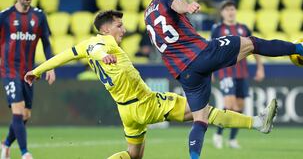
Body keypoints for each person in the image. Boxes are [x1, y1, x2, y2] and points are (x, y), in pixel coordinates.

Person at [24, 10, 278, 159]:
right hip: (147, 103)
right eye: (119, 26)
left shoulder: (83, 45)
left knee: (133, 156)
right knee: (204, 112)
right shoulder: (105, 43)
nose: (123, 30)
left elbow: (63, 55)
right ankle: (257, 122)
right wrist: (105, 56)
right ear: (106, 29)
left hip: (126, 111)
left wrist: (37, 70)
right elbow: (101, 50)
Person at [144, 0, 303, 159]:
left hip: (183, 71)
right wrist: (188, 6)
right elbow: (177, 3)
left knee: (200, 120)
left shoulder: (147, 13)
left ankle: (195, 157)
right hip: (200, 54)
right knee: (252, 43)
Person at [0, 0, 56, 159]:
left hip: (28, 72)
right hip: (9, 70)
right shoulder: (5, 16)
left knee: (25, 115)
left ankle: (6, 144)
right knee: (17, 110)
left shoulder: (39, 17)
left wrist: (51, 66)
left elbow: (46, 44)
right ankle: (25, 153)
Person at [211, 0, 265, 149]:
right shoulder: (217, 29)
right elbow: (212, 51)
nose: (230, 12)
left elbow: (255, 48)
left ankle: (232, 139)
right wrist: (210, 70)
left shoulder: (244, 29)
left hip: (242, 72)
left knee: (239, 107)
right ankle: (218, 135)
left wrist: (260, 67)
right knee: (229, 105)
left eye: (232, 9)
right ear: (222, 13)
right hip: (225, 72)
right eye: (227, 9)